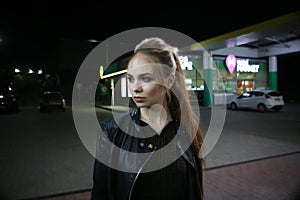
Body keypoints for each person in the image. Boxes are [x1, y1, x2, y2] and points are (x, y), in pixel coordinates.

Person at [91, 37, 204, 200]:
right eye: (131, 78)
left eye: (146, 78)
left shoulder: (186, 130)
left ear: (169, 80)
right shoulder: (112, 131)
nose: (135, 88)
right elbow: (100, 195)